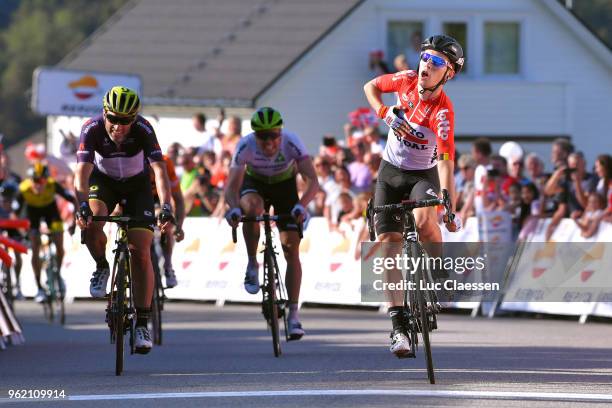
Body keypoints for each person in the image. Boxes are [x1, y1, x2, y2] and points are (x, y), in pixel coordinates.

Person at [363, 34, 462, 357]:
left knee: (424, 220)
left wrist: (448, 202)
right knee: (388, 243)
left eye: (436, 63)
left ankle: (439, 269)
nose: (426, 66)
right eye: (425, 59)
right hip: (390, 171)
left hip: (423, 174)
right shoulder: (404, 80)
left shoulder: (443, 112)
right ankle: (399, 327)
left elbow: (447, 161)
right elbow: (370, 87)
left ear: (448, 74)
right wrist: (384, 113)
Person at [74, 86, 174, 355]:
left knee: (140, 251)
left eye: (126, 120)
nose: (119, 126)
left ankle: (142, 323)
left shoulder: (144, 129)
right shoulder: (91, 128)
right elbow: (81, 174)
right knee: (93, 220)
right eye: (114, 119)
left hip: (137, 186)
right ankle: (102, 266)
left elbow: (160, 173)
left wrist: (165, 207)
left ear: (134, 119)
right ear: (104, 113)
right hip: (103, 182)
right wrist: (81, 205)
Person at [224, 107, 319, 340]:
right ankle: (251, 263)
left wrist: (302, 205)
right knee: (252, 209)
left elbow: (312, 180)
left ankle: (294, 315)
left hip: (284, 186)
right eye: (262, 136)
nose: (268, 142)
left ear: (280, 133)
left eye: (273, 135)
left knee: (291, 248)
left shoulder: (292, 142)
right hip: (255, 183)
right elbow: (231, 188)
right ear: (254, 135)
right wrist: (234, 209)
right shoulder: (245, 146)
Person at [16, 163, 77, 302]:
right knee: (35, 245)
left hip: (51, 212)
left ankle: (58, 274)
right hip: (32, 214)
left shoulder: (52, 184)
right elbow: (15, 212)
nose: (39, 185)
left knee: (59, 243)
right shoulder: (23, 188)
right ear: (30, 180)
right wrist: (22, 231)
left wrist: (74, 222)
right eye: (36, 181)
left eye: (42, 181)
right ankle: (39, 287)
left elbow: (73, 200)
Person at [149, 154, 185, 288]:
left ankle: (168, 265)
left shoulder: (166, 162)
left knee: (166, 222)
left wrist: (179, 226)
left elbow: (179, 200)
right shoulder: (133, 159)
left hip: (160, 199)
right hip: (139, 197)